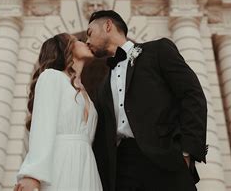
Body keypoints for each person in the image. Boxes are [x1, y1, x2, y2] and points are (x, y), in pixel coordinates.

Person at [86, 10, 208, 191]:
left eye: (90, 33)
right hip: (123, 168)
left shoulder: (158, 50)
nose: (87, 41)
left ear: (108, 26)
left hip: (166, 158)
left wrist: (186, 151)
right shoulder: (103, 85)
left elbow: (192, 95)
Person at [14, 33, 102, 191]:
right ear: (66, 48)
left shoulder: (85, 94)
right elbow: (43, 127)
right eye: (78, 41)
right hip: (61, 161)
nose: (85, 43)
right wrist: (33, 174)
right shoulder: (51, 77)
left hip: (87, 166)